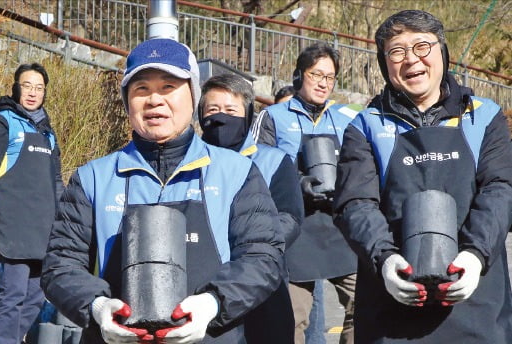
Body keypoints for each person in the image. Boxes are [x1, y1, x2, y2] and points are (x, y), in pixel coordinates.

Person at [41, 38, 287, 344]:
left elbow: (263, 256)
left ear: (193, 96)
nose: (154, 100)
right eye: (141, 89)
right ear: (127, 101)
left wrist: (213, 303)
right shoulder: (93, 177)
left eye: (168, 87)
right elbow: (60, 265)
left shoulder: (236, 173)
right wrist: (97, 306)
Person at [334, 9, 512, 343]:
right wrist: (384, 259)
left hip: (476, 299)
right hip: (393, 302)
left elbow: (500, 189)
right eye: (397, 51)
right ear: (384, 63)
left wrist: (475, 256)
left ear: (442, 52)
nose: (411, 60)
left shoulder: (484, 117)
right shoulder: (365, 126)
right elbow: (355, 203)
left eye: (422, 46)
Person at [252, 42, 359, 344]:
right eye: (316, 74)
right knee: (293, 318)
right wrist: (296, 182)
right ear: (299, 76)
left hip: (339, 229)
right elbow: (255, 165)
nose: (323, 83)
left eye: (330, 77)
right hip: (295, 230)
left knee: (364, 304)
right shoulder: (273, 116)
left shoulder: (348, 117)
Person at [198, 72, 303, 343]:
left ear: (247, 115)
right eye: (213, 110)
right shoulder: (190, 163)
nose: (221, 117)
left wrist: (247, 248)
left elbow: (289, 217)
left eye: (230, 110)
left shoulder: (273, 160)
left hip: (263, 286)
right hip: (203, 290)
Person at [0, 62, 65, 344]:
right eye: (27, 86)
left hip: (44, 227)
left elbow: (57, 181)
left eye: (39, 88)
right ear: (16, 88)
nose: (33, 93)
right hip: (13, 225)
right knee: (12, 295)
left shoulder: (49, 133)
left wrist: (65, 219)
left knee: (37, 298)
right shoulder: (2, 122)